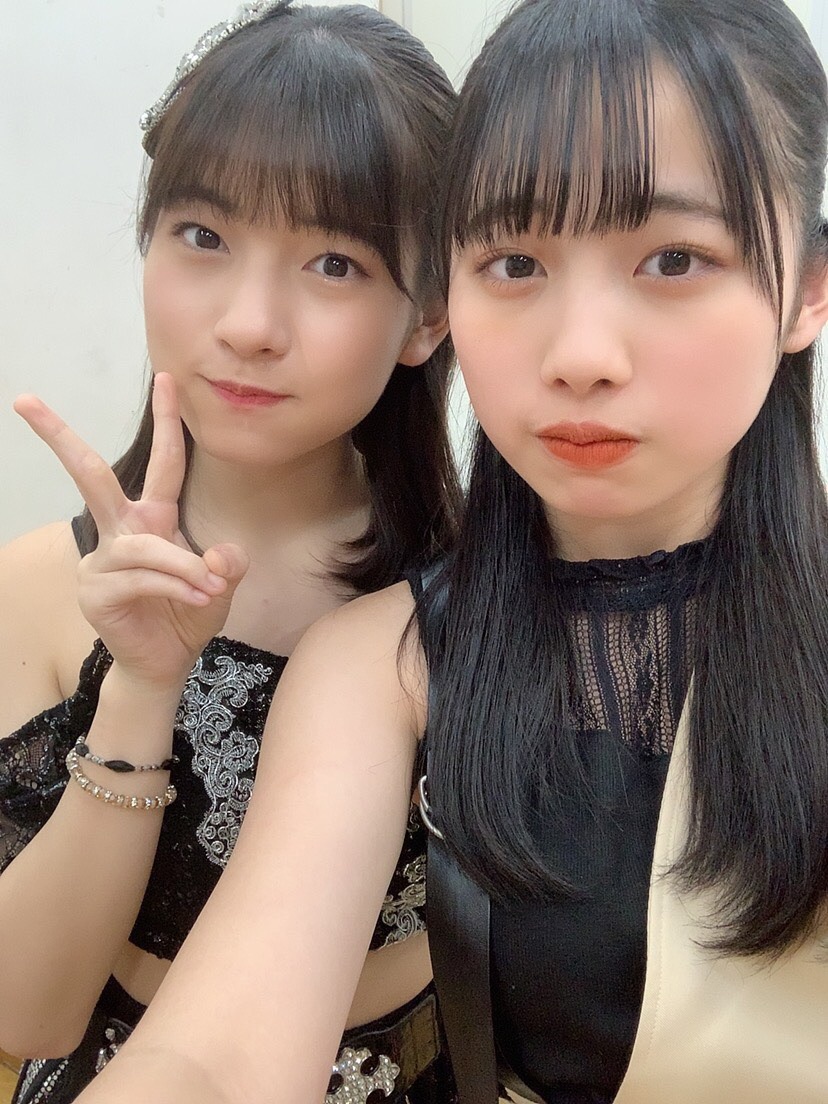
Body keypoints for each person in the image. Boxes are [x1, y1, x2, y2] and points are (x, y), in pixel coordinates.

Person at [66, 0, 828, 1101]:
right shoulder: (388, 664)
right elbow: (215, 1059)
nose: (580, 355)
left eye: (673, 258)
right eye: (515, 262)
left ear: (807, 289)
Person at [0, 3, 462, 1102]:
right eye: (203, 237)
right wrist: (139, 689)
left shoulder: (482, 590)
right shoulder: (38, 587)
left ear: (427, 317)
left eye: (335, 262)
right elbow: (26, 1010)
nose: (251, 322)